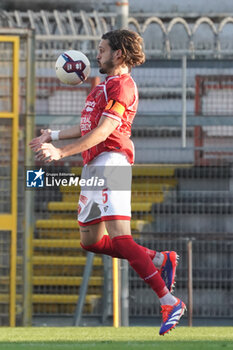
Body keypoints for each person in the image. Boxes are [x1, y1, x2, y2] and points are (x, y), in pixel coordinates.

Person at [29, 29, 186, 335]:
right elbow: (88, 125)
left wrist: (60, 152)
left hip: (111, 161)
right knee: (89, 241)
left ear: (118, 54)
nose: (97, 54)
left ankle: (169, 301)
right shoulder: (103, 86)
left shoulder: (123, 86)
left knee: (121, 237)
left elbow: (102, 132)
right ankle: (158, 258)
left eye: (102, 49)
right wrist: (54, 135)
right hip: (93, 164)